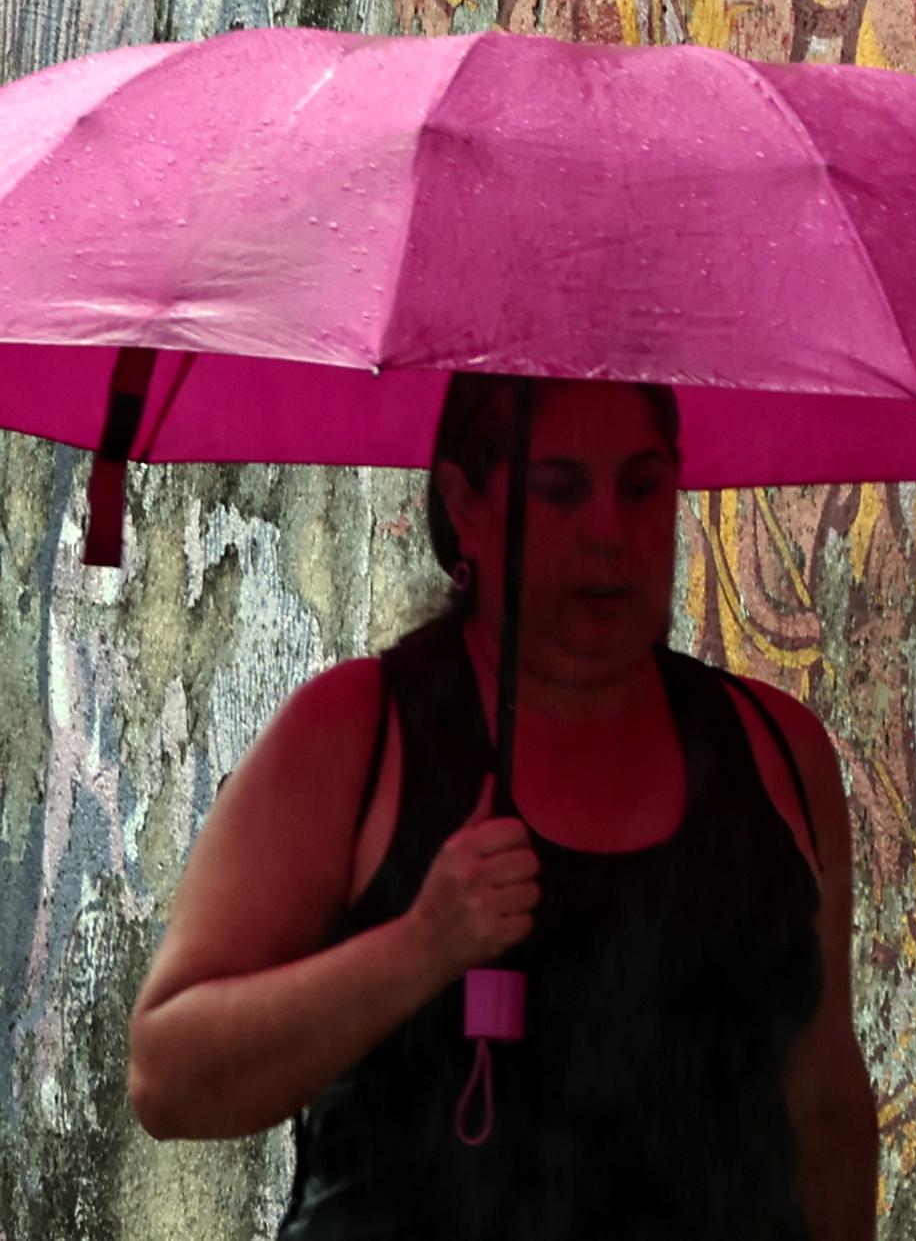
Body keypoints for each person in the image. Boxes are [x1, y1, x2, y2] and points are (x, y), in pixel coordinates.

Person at [125, 376, 878, 1238]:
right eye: (558, 489)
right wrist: (420, 947)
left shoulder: (778, 754)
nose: (608, 530)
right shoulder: (355, 737)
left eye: (641, 486)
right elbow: (170, 1075)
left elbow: (825, 1105)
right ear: (465, 504)